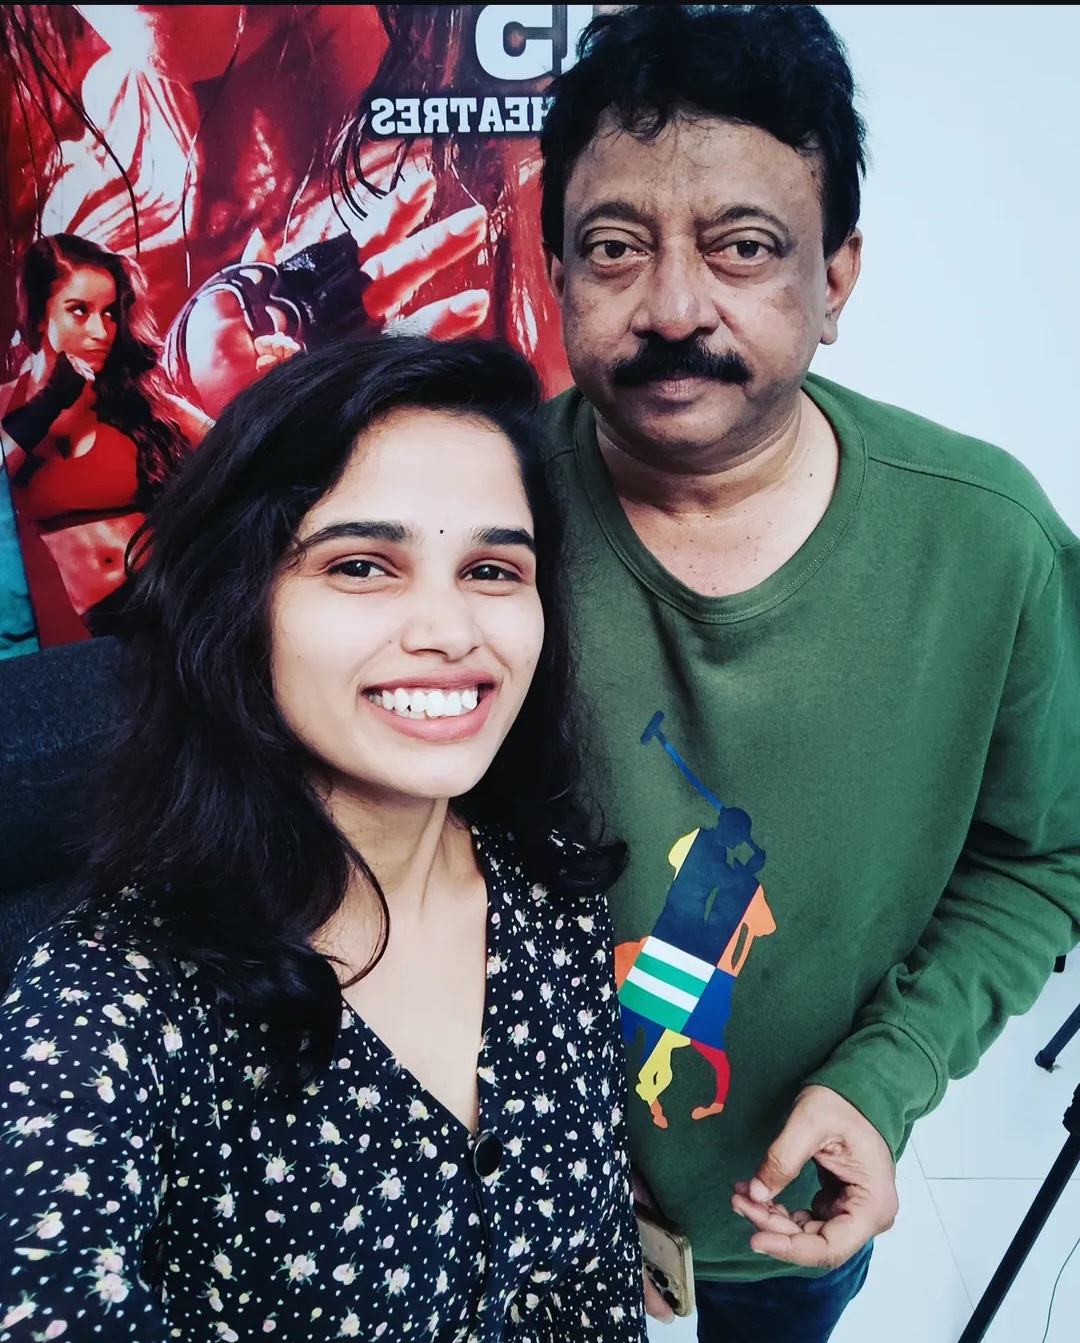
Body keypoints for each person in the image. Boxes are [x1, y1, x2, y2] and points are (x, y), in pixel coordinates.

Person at [535, 6, 1080, 1340]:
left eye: (743, 247)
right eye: (615, 248)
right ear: (555, 273)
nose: (674, 306)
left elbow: (1045, 857)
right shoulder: (468, 526)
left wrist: (887, 1077)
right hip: (517, 1198)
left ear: (836, 277)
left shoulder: (988, 543)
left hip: (789, 1208)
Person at [0, 335, 647, 1342]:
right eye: (361, 564)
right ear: (239, 601)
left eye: (490, 568)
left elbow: (590, 1268)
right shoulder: (109, 997)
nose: (451, 630)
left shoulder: (552, 893)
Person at [0, 233, 209, 645]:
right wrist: (48, 403)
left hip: (164, 601)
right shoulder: (8, 402)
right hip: (71, 630)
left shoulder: (140, 399)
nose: (101, 331)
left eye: (110, 313)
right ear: (40, 316)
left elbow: (237, 445)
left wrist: (276, 380)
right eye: (79, 310)